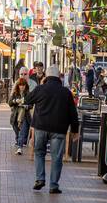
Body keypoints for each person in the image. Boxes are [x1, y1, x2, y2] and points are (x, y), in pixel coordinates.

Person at [26, 65, 79, 195]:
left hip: (41, 126)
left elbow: (28, 99)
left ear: (46, 76)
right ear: (59, 76)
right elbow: (73, 113)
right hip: (59, 129)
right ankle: (54, 185)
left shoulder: (40, 89)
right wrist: (75, 130)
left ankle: (40, 179)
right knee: (56, 157)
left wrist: (42, 85)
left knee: (39, 152)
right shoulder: (66, 92)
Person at [8, 76, 31, 155]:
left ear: (26, 86)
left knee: (23, 131)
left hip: (24, 115)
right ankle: (19, 141)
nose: (22, 87)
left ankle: (19, 147)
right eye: (20, 85)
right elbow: (9, 102)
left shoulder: (28, 94)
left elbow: (31, 104)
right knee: (16, 130)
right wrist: (15, 101)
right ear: (18, 86)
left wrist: (26, 106)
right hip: (15, 115)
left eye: (23, 85)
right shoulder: (15, 93)